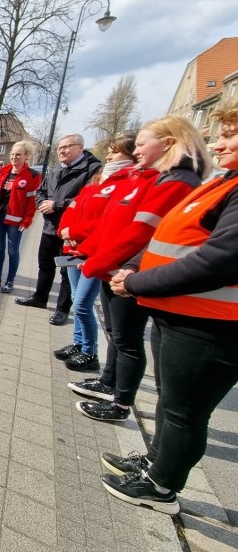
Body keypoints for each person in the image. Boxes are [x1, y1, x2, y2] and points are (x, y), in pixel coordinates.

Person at [98, 102, 237, 515]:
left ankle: (162, 488)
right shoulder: (223, 183)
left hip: (212, 326)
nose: (219, 141)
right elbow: (173, 241)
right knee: (169, 401)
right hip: (180, 315)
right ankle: (156, 461)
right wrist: (136, 271)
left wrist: (136, 280)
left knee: (184, 411)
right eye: (219, 133)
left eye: (230, 134)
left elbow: (219, 260)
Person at [72, 115, 209, 422]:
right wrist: (89, 252)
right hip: (116, 270)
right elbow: (112, 224)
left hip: (131, 274)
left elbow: (138, 233)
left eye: (142, 144)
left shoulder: (173, 183)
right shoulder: (152, 179)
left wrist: (95, 262)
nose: (136, 151)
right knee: (116, 335)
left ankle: (120, 403)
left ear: (168, 144)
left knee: (127, 340)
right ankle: (109, 382)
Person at [56, 136, 137, 373]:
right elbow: (74, 207)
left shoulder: (127, 184)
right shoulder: (97, 181)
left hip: (93, 253)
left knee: (82, 304)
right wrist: (65, 230)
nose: (109, 157)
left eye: (115, 152)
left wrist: (76, 232)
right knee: (75, 297)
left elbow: (107, 222)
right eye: (109, 152)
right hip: (73, 248)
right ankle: (79, 343)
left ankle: (90, 352)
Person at [16, 134, 100, 325]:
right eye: (59, 148)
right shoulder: (55, 169)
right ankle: (40, 298)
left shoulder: (92, 169)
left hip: (71, 230)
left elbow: (86, 199)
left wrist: (57, 205)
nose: (62, 151)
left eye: (67, 147)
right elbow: (41, 191)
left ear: (81, 147)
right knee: (45, 265)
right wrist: (42, 204)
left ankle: (62, 309)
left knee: (66, 271)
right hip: (50, 226)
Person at [0, 141, 41, 293]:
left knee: (12, 251)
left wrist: (27, 220)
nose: (14, 157)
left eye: (18, 154)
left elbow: (31, 201)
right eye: (12, 154)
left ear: (26, 156)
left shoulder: (33, 175)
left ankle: (10, 281)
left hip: (16, 220)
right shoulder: (2, 173)